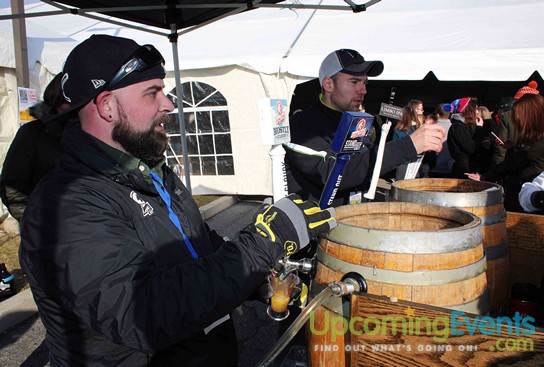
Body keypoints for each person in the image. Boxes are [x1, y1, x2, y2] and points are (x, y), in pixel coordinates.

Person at [18, 35, 335, 367]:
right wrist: (261, 244)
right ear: (107, 105)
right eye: (152, 92)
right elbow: (139, 313)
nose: (168, 104)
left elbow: (196, 248)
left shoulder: (151, 170)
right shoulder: (67, 203)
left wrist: (252, 278)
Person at [283, 49, 446, 206]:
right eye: (354, 82)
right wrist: (408, 146)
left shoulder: (351, 120)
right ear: (328, 84)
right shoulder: (302, 124)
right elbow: (331, 174)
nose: (363, 90)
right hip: (315, 227)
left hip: (351, 220)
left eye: (364, 82)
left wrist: (417, 152)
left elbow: (365, 163)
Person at [0, 73, 68, 222]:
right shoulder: (32, 133)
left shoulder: (89, 131)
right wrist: (36, 224)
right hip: (46, 231)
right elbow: (13, 189)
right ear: (57, 99)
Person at [466, 93, 544, 212]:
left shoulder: (542, 139)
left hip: (530, 197)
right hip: (525, 193)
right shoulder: (536, 137)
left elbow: (515, 162)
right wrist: (513, 147)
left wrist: (485, 177)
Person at [447, 97, 491, 178]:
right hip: (463, 169)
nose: (477, 111)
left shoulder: (466, 126)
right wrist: (479, 129)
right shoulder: (458, 126)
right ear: (467, 110)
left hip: (470, 167)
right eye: (475, 108)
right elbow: (471, 148)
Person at [430, 103, 455, 177]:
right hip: (450, 165)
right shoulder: (454, 128)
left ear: (437, 115)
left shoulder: (432, 128)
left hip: (434, 167)